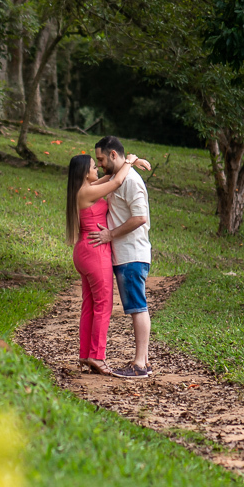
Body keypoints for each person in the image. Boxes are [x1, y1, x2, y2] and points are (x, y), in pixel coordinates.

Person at [65, 151, 147, 376]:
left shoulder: (82, 190)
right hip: (95, 251)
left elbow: (111, 177)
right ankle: (97, 356)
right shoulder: (88, 191)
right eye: (93, 167)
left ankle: (86, 354)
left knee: (90, 305)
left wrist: (132, 163)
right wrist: (130, 160)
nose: (97, 169)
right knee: (103, 306)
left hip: (83, 251)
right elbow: (118, 180)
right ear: (84, 172)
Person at [89, 136, 153, 379]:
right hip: (125, 254)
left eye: (102, 159)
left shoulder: (132, 182)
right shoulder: (119, 178)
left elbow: (140, 218)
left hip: (132, 254)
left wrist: (110, 235)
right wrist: (132, 160)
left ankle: (139, 364)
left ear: (113, 155)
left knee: (138, 307)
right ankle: (143, 362)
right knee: (136, 306)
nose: (101, 164)